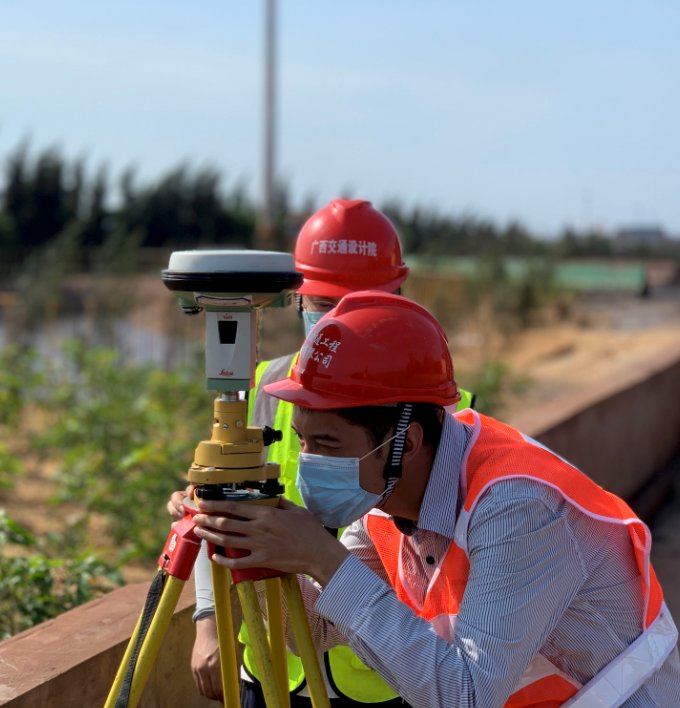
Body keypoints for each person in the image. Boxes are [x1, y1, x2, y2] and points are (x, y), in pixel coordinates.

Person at [191, 291, 680, 708]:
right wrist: (255, 543)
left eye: (327, 444)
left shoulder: (517, 507)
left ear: (407, 442)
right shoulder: (385, 498)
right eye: (302, 440)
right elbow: (315, 630)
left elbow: (465, 696)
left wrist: (323, 558)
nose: (308, 461)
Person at [168, 199, 475, 706]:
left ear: (397, 300)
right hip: (272, 666)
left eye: (360, 303)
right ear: (296, 300)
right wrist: (208, 623)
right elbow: (220, 512)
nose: (341, 319)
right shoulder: (264, 386)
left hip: (381, 677)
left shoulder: (443, 407)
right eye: (325, 304)